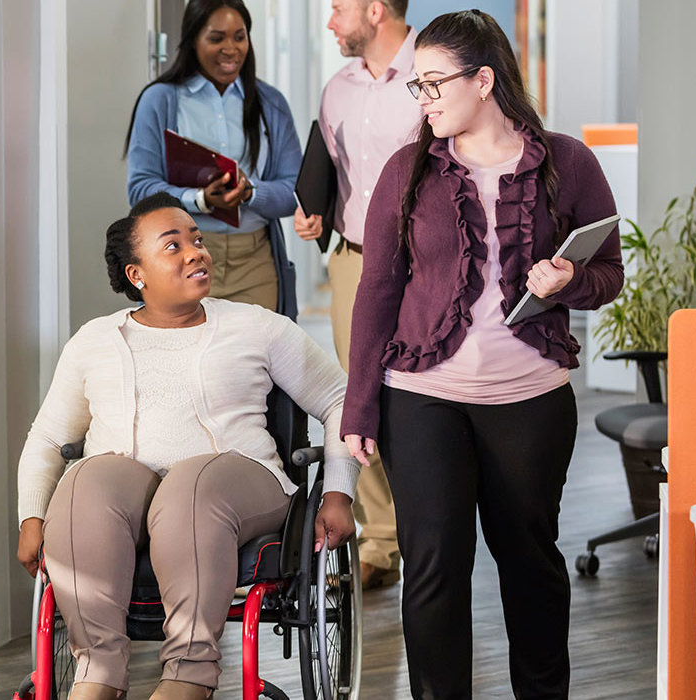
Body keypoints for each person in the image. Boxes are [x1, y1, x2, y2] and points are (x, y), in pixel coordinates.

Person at [339, 11, 624, 699]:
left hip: (530, 399)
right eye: (419, 85)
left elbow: (609, 272)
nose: (425, 98)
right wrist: (360, 405)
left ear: (484, 79)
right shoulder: (408, 170)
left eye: (435, 83)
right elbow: (378, 287)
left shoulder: (567, 162)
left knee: (531, 565)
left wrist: (570, 281)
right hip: (423, 397)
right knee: (435, 568)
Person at [16, 193, 359, 700]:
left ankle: (188, 674)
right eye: (172, 246)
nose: (196, 252)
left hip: (238, 482)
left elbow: (339, 399)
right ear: (137, 275)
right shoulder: (94, 340)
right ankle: (97, 674)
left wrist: (337, 494)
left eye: (196, 240)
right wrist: (31, 518)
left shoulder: (257, 326)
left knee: (190, 488)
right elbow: (48, 437)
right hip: (127, 494)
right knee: (86, 479)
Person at [293, 0, 422, 590]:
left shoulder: (434, 68)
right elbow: (330, 168)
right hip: (353, 259)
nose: (330, 23)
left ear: (376, 10)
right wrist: (312, 210)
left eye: (339, 8)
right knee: (357, 394)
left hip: (424, 261)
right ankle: (381, 538)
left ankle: (431, 530)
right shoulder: (336, 89)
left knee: (423, 389)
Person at [125, 0, 302, 318]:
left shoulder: (270, 103)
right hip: (182, 259)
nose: (231, 48)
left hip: (255, 260)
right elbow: (140, 189)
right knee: (184, 362)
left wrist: (251, 193)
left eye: (239, 36)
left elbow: (294, 191)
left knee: (254, 363)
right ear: (193, 40)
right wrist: (200, 200)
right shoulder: (160, 99)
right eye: (216, 38)